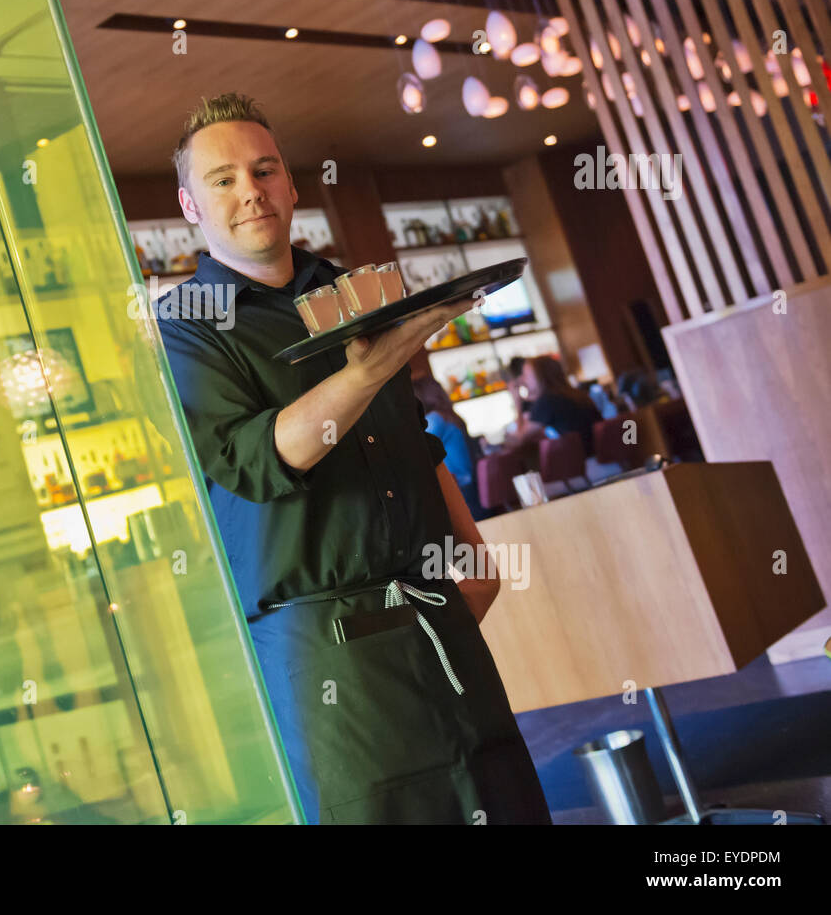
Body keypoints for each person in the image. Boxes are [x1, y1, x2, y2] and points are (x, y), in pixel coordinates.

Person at [153, 93, 551, 824]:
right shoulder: (186, 324)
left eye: (265, 169)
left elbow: (414, 436)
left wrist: (475, 557)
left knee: (505, 800)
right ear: (189, 204)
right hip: (324, 647)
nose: (251, 189)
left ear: (292, 184)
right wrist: (364, 372)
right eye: (224, 178)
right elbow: (254, 460)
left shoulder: (352, 290)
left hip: (434, 612)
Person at [412, 375, 490, 521]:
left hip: (461, 493)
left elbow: (415, 451)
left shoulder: (435, 419)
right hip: (471, 488)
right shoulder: (449, 415)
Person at [504, 355, 600, 454]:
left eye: (526, 375)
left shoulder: (547, 401)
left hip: (585, 464)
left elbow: (519, 440)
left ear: (540, 376)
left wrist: (517, 402)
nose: (522, 380)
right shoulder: (574, 394)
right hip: (603, 459)